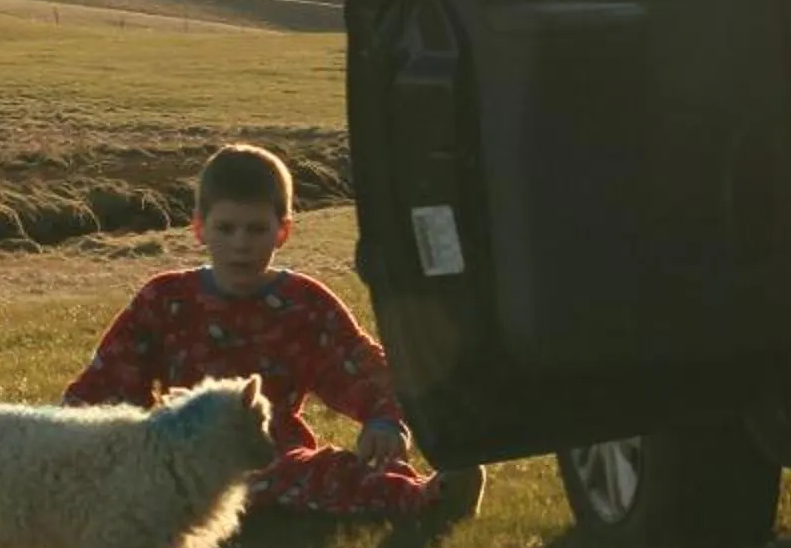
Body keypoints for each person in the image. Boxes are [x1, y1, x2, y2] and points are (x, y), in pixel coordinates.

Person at [60, 142, 483, 521]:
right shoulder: (165, 298)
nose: (241, 244)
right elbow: (110, 379)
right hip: (181, 457)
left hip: (273, 452)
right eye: (226, 229)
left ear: (283, 231)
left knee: (325, 474)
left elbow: (359, 365)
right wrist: (68, 440)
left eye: (256, 229)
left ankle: (430, 498)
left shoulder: (304, 302)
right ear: (199, 229)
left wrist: (385, 420)